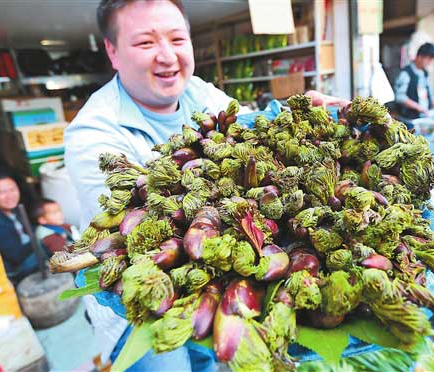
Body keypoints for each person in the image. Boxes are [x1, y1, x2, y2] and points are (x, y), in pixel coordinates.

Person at [64, 0, 348, 369]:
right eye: (146, 43)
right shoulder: (92, 135)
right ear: (113, 52)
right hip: (142, 299)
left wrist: (293, 112)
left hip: (222, 276)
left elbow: (250, 129)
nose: (167, 56)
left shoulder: (200, 93)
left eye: (177, 39)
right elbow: (134, 221)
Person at [0, 175, 39, 281]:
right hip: (15, 269)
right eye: (1, 192)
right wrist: (43, 239)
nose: (9, 196)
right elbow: (17, 256)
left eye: (12, 190)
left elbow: (30, 230)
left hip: (25, 249)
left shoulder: (12, 207)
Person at [394, 42, 434, 119]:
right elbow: (400, 97)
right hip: (409, 119)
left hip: (424, 117)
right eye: (429, 59)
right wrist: (418, 107)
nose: (430, 63)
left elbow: (429, 92)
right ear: (420, 56)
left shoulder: (425, 73)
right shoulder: (406, 73)